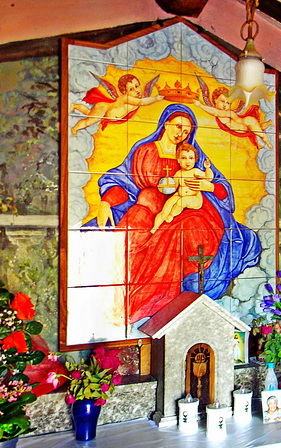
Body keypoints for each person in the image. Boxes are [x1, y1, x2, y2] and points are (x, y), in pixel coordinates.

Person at [86, 104, 261, 324]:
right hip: (149, 207)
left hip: (191, 209)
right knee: (132, 228)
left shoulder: (192, 155)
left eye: (187, 131)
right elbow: (123, 181)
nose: (181, 133)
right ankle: (114, 294)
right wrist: (106, 203)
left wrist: (207, 187)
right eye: (178, 126)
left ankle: (152, 298)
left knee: (175, 232)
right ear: (166, 122)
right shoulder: (144, 151)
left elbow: (221, 188)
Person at [70, 73, 163, 136]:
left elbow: (145, 99)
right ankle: (74, 128)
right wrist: (156, 99)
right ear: (124, 92)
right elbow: (142, 103)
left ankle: (74, 106)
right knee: (88, 121)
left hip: (106, 112)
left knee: (88, 112)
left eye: (137, 86)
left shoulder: (139, 98)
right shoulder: (126, 98)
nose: (136, 90)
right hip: (104, 109)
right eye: (131, 89)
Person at [150, 143, 214, 233]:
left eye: (191, 158)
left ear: (195, 160)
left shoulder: (195, 172)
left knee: (181, 202)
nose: (187, 162)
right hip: (179, 195)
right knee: (167, 206)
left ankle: (171, 215)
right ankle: (155, 227)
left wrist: (207, 168)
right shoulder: (178, 174)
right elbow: (173, 187)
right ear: (179, 160)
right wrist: (163, 186)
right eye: (184, 158)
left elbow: (209, 178)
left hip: (195, 198)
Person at [194, 85, 273, 149]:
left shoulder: (223, 113)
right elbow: (214, 111)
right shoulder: (222, 113)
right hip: (244, 127)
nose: (225, 105)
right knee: (257, 129)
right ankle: (269, 123)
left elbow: (215, 112)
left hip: (246, 122)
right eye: (222, 101)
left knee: (261, 134)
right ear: (215, 100)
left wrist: (200, 105)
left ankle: (268, 143)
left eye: (228, 103)